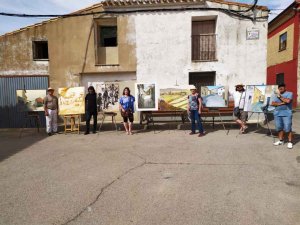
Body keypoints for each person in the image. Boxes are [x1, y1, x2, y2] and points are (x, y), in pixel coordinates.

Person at [271, 83, 293, 149]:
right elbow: (273, 103)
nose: (281, 88)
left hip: (287, 114)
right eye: (280, 87)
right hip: (277, 113)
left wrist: (280, 97)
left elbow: (288, 101)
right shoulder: (275, 95)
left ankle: (290, 142)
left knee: (288, 128)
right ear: (278, 88)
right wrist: (282, 103)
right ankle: (281, 140)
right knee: (279, 128)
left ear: (285, 87)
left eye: (282, 86)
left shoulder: (289, 93)